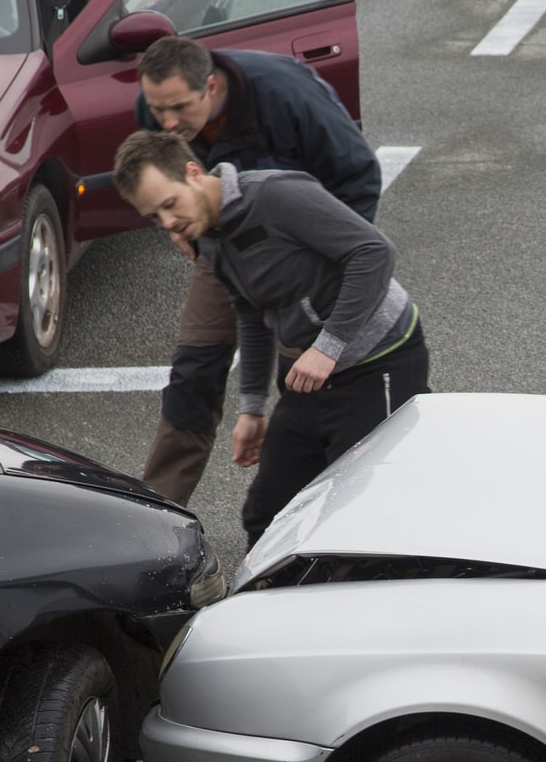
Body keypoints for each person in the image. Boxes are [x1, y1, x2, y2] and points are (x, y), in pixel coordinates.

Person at [112, 130, 429, 546]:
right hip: (310, 373)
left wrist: (328, 347)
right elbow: (252, 311)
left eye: (169, 204)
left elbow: (374, 252)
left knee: (357, 508)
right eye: (155, 217)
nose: (168, 223)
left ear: (192, 172)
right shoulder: (209, 234)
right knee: (267, 512)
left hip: (378, 360)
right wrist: (253, 408)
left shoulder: (275, 196)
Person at [131, 35, 383, 505]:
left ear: (210, 86)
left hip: (302, 247)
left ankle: (334, 511)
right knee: (192, 374)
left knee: (311, 382)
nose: (167, 122)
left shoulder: (286, 95)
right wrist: (182, 231)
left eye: (179, 108)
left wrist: (324, 266)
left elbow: (360, 177)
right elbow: (158, 176)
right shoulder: (160, 108)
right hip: (222, 248)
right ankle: (155, 518)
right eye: (156, 108)